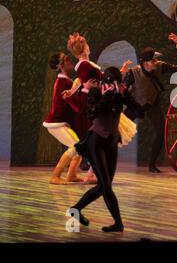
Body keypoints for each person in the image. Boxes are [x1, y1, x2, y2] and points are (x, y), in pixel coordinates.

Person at [70, 67, 136, 232]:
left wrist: (125, 94)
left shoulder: (118, 95)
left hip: (111, 142)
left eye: (117, 82)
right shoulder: (95, 92)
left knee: (104, 185)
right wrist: (105, 96)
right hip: (95, 141)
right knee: (105, 185)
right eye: (110, 82)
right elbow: (91, 113)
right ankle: (118, 223)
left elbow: (137, 110)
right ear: (103, 81)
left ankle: (76, 209)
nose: (113, 85)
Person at [122, 47, 177, 173]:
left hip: (152, 103)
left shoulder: (160, 67)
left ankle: (152, 165)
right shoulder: (133, 73)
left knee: (161, 131)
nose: (156, 62)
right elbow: (123, 90)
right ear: (145, 63)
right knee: (118, 130)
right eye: (153, 60)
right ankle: (92, 160)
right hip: (135, 104)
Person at [43, 52, 95, 184]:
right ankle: (55, 176)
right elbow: (77, 106)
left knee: (79, 148)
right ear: (61, 66)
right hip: (57, 124)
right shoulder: (62, 83)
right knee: (76, 147)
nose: (69, 60)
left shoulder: (66, 81)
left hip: (62, 123)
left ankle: (71, 175)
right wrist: (85, 89)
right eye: (66, 59)